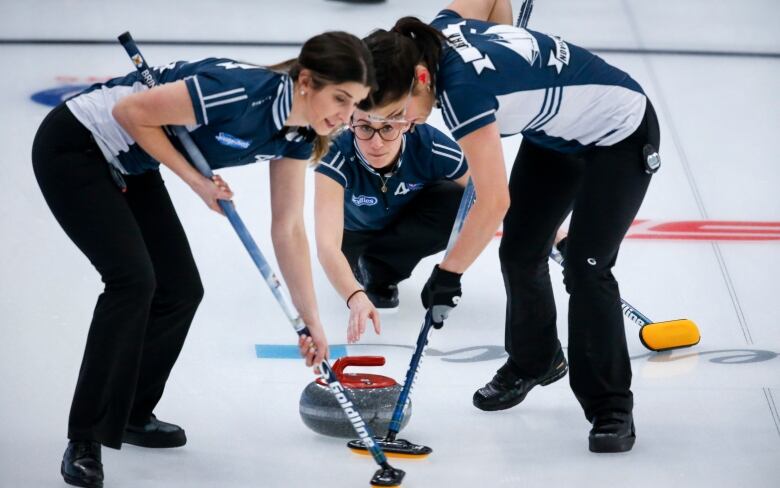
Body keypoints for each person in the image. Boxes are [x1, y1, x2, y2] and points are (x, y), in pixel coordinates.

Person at [31, 32, 374, 488]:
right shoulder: (238, 90)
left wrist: (311, 322)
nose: (346, 116)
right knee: (132, 281)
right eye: (341, 98)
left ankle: (130, 413)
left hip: (133, 162)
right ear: (307, 81)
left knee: (180, 289)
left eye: (356, 105)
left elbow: (287, 228)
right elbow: (129, 112)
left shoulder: (299, 132)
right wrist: (197, 182)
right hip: (78, 146)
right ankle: (85, 438)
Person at [359, 0, 662, 453]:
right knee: (521, 250)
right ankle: (535, 360)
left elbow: (493, 200)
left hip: (619, 133)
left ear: (421, 77)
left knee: (586, 264)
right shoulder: (437, 32)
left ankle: (610, 406)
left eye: (398, 113)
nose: (402, 125)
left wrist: (448, 274)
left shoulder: (461, 93)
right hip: (555, 134)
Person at [315, 109, 468, 342]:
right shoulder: (334, 153)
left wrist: (450, 273)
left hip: (408, 221)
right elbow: (327, 245)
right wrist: (355, 296)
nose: (376, 143)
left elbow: (491, 198)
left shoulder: (432, 146)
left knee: (461, 200)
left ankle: (382, 268)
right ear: (350, 122)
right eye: (365, 128)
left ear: (406, 124)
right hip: (355, 235)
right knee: (347, 252)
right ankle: (368, 269)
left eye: (387, 128)